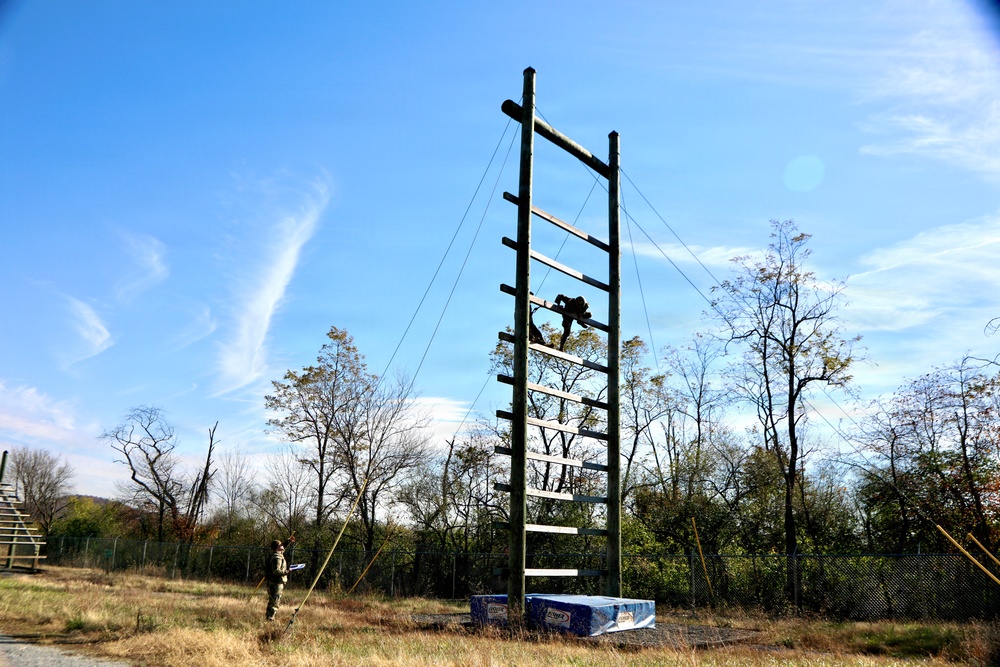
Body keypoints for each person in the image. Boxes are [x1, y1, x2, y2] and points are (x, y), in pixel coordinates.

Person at [265, 535, 295, 621]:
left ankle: (269, 617)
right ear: (277, 547)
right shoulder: (277, 558)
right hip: (276, 583)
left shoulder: (277, 554)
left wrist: (288, 541)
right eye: (280, 545)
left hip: (275, 581)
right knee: (275, 601)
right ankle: (270, 618)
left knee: (273, 600)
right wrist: (287, 571)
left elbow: (283, 546)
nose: (283, 546)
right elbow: (276, 571)